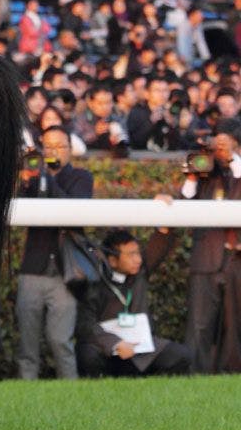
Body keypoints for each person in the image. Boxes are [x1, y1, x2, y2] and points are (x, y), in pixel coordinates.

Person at [16, 126, 93, 380]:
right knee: (28, 345)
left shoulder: (81, 177)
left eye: (59, 146)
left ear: (70, 149)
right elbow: (17, 206)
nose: (53, 152)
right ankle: (25, 396)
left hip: (65, 272)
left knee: (61, 341)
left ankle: (70, 394)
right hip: (33, 269)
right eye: (48, 147)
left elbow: (72, 211)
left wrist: (46, 178)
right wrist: (25, 179)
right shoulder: (33, 174)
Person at [76, 227, 191, 378]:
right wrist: (115, 344)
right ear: (112, 260)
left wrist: (163, 215)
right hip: (108, 349)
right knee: (87, 354)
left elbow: (158, 245)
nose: (138, 259)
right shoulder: (95, 282)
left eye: (137, 253)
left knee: (181, 355)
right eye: (131, 255)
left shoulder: (140, 272)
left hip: (139, 348)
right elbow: (86, 326)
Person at [178, 120, 241, 373]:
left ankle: (232, 374)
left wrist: (233, 161)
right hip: (207, 257)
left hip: (237, 258)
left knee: (235, 323)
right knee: (199, 324)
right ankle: (194, 373)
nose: (220, 151)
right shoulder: (205, 173)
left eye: (225, 145)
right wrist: (192, 176)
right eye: (217, 145)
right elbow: (184, 203)